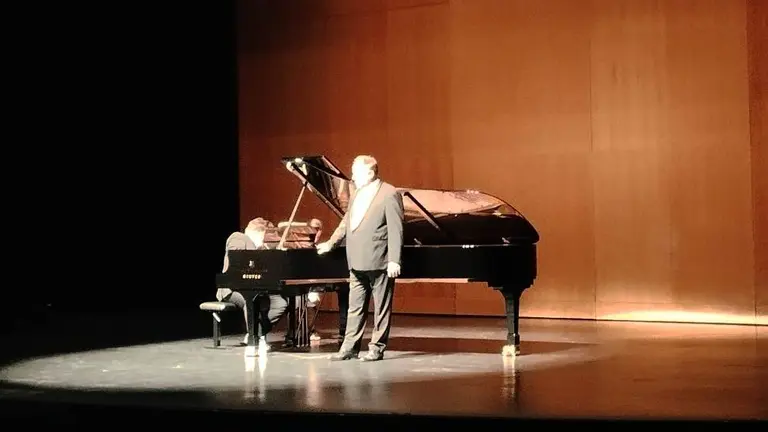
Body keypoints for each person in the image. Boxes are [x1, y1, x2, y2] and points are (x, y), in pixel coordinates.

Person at [316, 155, 404, 362]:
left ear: (371, 173)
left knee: (381, 307)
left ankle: (377, 348)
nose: (352, 177)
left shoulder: (389, 193)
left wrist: (394, 259)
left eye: (356, 172)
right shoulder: (356, 193)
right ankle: (349, 348)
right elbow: (346, 221)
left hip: (380, 260)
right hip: (356, 260)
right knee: (355, 307)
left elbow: (396, 229)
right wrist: (331, 243)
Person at [218, 217, 289, 351]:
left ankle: (257, 332)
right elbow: (238, 262)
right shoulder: (238, 237)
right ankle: (254, 337)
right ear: (257, 233)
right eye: (263, 237)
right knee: (250, 300)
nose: (263, 241)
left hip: (254, 286)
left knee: (280, 303)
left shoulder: (257, 247)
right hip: (231, 288)